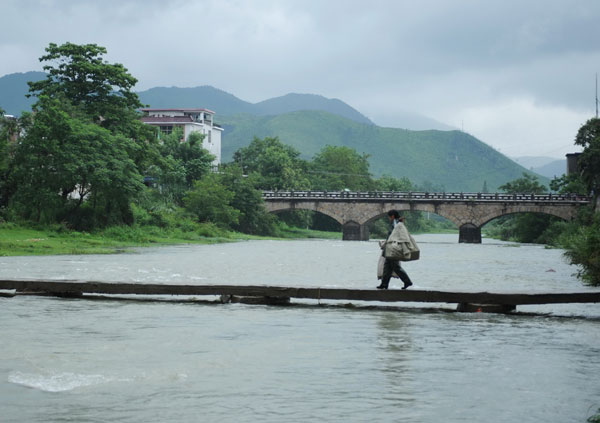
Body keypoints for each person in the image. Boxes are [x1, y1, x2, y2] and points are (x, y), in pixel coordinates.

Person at [377, 210, 413, 290]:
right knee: (387, 267)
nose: (389, 218)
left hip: (393, 249)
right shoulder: (397, 223)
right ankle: (384, 284)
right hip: (389, 248)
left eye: (389, 217)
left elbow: (396, 235)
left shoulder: (396, 223)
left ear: (392, 216)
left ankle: (407, 281)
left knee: (395, 267)